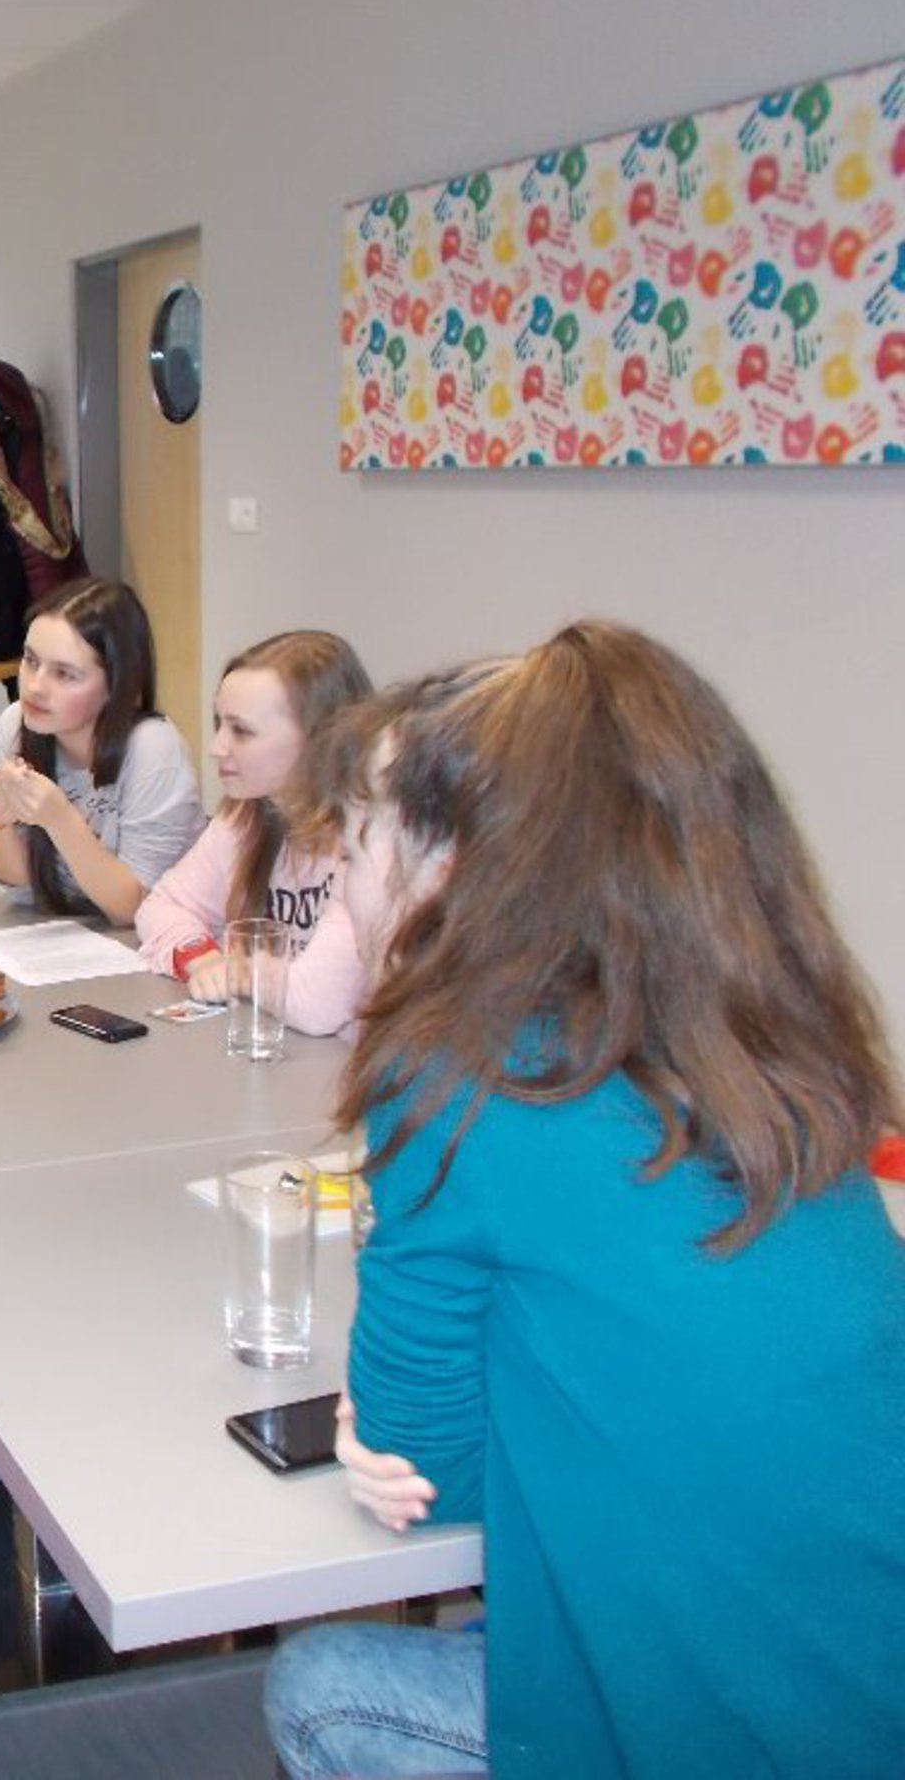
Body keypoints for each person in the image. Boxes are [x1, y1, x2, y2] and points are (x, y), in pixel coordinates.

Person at [262, 623, 905, 1778]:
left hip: (721, 1733)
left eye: (354, 844)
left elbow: (425, 1473)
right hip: (863, 1673)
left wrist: (399, 1428)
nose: (345, 881)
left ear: (452, 866)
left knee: (318, 1689)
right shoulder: (771, 1054)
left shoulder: (458, 1079)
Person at [134, 629, 371, 1035]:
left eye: (241, 731)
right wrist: (204, 958)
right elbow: (161, 905)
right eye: (219, 724)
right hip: (275, 1045)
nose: (217, 747)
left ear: (319, 739)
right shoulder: (245, 817)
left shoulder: (370, 842)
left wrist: (241, 971)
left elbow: (316, 1005)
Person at [0, 576, 206, 921]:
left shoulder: (154, 749)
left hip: (155, 939)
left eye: (65, 674)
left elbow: (134, 909)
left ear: (117, 685)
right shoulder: (17, 725)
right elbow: (20, 880)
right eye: (31, 661)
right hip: (68, 932)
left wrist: (59, 818)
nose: (35, 687)